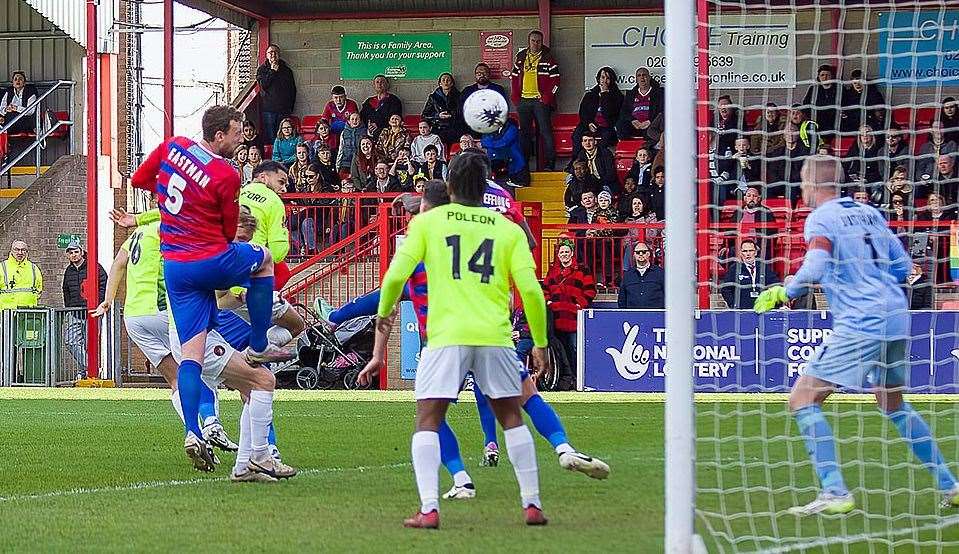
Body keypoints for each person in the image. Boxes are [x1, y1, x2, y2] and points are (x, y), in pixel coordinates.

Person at [342, 177, 608, 499]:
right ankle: (556, 454)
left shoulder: (423, 240)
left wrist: (366, 342)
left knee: (430, 415)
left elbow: (387, 294)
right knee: (519, 398)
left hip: (441, 338)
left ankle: (458, 480)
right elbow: (521, 262)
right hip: (489, 332)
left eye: (419, 206)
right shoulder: (475, 234)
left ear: (426, 207)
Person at [754, 154, 959, 515]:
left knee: (803, 398)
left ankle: (834, 492)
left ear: (815, 184)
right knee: (892, 402)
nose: (801, 189)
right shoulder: (871, 214)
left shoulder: (822, 218)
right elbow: (902, 266)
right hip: (896, 315)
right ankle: (950, 484)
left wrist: (787, 290)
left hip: (862, 319)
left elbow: (816, 264)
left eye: (803, 182)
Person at [359, 152, 552, 528]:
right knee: (512, 416)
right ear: (486, 188)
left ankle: (429, 509)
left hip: (446, 336)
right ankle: (532, 504)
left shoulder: (427, 224)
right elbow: (531, 291)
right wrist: (540, 342)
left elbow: (395, 276)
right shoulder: (507, 230)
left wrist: (383, 315)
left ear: (449, 188)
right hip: (495, 336)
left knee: (428, 419)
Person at [130, 105, 292, 472]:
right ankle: (261, 342)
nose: (241, 139)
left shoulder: (172, 146)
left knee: (190, 358)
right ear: (218, 135)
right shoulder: (225, 173)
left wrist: (177, 205)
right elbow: (226, 230)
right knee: (265, 259)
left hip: (176, 270)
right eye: (237, 133)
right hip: (206, 257)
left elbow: (141, 180)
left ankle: (193, 431)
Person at [95, 210, 240, 456]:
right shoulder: (170, 228)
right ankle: (211, 423)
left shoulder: (138, 234)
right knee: (196, 368)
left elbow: (119, 263)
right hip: (164, 310)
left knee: (175, 379)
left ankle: (194, 434)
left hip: (134, 317)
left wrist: (108, 299)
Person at [543, 240, 596, 390]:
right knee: (560, 349)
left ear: (572, 253)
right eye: (561, 252)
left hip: (574, 317)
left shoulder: (582, 270)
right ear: (558, 255)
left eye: (567, 252)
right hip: (557, 317)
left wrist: (579, 304)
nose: (564, 255)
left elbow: (590, 290)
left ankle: (578, 378)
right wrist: (549, 303)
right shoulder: (552, 271)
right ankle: (564, 381)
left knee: (574, 348)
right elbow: (545, 289)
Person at [510, 30, 560, 170]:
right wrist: (515, 96)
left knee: (546, 132)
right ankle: (524, 164)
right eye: (533, 40)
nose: (536, 43)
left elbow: (556, 82)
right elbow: (514, 77)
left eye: (538, 41)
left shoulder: (548, 57)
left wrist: (547, 98)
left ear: (542, 42)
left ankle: (550, 164)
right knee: (524, 133)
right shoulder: (521, 57)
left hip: (540, 102)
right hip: (523, 101)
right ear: (529, 41)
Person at [61, 240, 107, 372]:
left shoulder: (95, 266)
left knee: (90, 344)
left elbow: (104, 284)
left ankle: (85, 372)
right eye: (71, 252)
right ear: (68, 255)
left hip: (92, 312)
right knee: (71, 341)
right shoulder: (68, 271)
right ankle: (90, 368)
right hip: (75, 312)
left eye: (76, 252)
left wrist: (99, 304)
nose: (74, 255)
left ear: (82, 252)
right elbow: (66, 290)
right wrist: (69, 307)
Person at [572, 66, 623, 155]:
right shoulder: (590, 94)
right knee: (577, 135)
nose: (605, 80)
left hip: (607, 126)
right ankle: (577, 160)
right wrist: (589, 123)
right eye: (602, 77)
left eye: (608, 78)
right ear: (598, 79)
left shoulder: (618, 96)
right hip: (590, 124)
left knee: (607, 137)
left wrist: (604, 95)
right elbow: (583, 113)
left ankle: (596, 159)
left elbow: (610, 113)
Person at [720, 239, 780, 310]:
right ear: (741, 253)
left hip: (762, 310)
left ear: (755, 252)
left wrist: (772, 305)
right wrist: (734, 305)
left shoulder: (764, 267)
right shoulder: (735, 269)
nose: (748, 254)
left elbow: (775, 286)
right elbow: (725, 289)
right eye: (745, 251)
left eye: (750, 251)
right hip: (742, 312)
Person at [255, 44, 297, 141]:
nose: (273, 54)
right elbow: (263, 85)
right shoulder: (262, 70)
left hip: (284, 110)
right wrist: (272, 71)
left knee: (285, 137)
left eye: (275, 52)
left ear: (279, 55)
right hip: (269, 110)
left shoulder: (287, 70)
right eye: (270, 52)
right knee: (271, 138)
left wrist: (290, 107)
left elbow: (292, 90)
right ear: (266, 55)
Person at [460, 62, 509, 136]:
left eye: (484, 73)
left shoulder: (497, 89)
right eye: (479, 73)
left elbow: (503, 108)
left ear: (489, 74)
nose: (482, 75)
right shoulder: (467, 91)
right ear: (475, 75)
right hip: (472, 125)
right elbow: (462, 109)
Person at [616, 67, 664, 141]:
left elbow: (661, 110)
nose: (642, 78)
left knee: (651, 132)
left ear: (649, 77)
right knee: (620, 124)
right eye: (639, 75)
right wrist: (632, 120)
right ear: (636, 79)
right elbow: (624, 111)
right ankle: (627, 147)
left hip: (650, 124)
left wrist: (650, 121)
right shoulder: (630, 94)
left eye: (644, 75)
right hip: (635, 124)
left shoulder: (659, 93)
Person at [481, 117, 530, 188]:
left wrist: (491, 144)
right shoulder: (489, 128)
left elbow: (504, 142)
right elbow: (484, 140)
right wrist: (491, 144)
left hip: (511, 160)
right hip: (495, 159)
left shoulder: (511, 128)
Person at [618, 241, 664, 309]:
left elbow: (668, 296)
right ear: (634, 255)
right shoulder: (627, 275)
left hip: (656, 317)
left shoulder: (660, 273)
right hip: (633, 317)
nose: (641, 254)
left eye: (644, 252)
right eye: (638, 252)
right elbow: (622, 300)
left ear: (648, 254)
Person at [839, 69, 886, 134]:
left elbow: (879, 112)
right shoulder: (848, 95)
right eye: (855, 83)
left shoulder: (874, 94)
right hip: (852, 123)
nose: (857, 85)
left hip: (869, 122)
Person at [842, 124, 886, 193]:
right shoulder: (855, 148)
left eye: (867, 132)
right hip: (856, 179)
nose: (865, 135)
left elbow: (880, 171)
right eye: (862, 133)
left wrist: (866, 179)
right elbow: (845, 164)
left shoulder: (879, 150)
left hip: (872, 180)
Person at [422, 72, 462, 146]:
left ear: (452, 83)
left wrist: (452, 115)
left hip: (454, 129)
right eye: (443, 80)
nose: (446, 82)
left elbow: (462, 113)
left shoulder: (459, 96)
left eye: (448, 80)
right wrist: (438, 116)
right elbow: (425, 115)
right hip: (438, 129)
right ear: (440, 83)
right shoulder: (433, 97)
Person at [0, 240, 41, 310]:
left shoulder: (34, 268)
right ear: (11, 251)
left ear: (26, 252)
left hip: (29, 312)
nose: (20, 252)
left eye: (23, 250)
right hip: (6, 313)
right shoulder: (2, 267)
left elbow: (39, 290)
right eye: (17, 249)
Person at [360, 74, 403, 139]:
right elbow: (362, 117)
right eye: (377, 82)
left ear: (387, 85)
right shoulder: (368, 101)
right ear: (374, 85)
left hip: (387, 134)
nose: (379, 84)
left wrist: (378, 125)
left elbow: (395, 119)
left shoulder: (394, 100)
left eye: (382, 82)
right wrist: (368, 125)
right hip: (368, 133)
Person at [801, 64, 840, 136]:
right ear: (819, 77)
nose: (825, 77)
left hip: (835, 122)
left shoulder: (840, 89)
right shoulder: (813, 89)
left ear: (832, 77)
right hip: (817, 121)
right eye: (822, 75)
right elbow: (805, 105)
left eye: (828, 75)